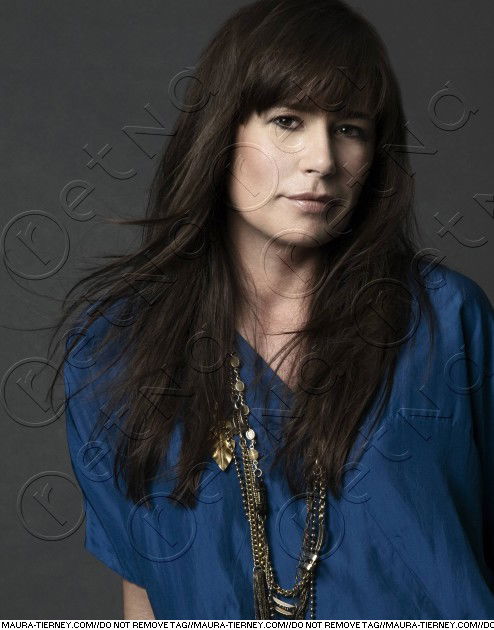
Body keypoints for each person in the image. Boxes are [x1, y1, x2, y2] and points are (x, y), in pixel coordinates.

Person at [57, 0, 494, 620]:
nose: (322, 160)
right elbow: (145, 594)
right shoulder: (116, 350)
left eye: (350, 129)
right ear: (221, 134)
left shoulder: (447, 324)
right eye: (288, 121)